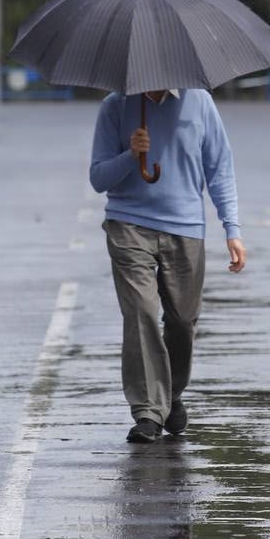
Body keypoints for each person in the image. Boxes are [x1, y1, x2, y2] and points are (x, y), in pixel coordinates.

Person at [89, 88, 246, 443]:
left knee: (181, 321)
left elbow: (219, 168)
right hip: (128, 224)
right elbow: (98, 178)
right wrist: (131, 154)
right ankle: (148, 411)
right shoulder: (116, 106)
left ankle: (171, 392)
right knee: (142, 312)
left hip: (185, 227)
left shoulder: (200, 102)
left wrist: (231, 228)